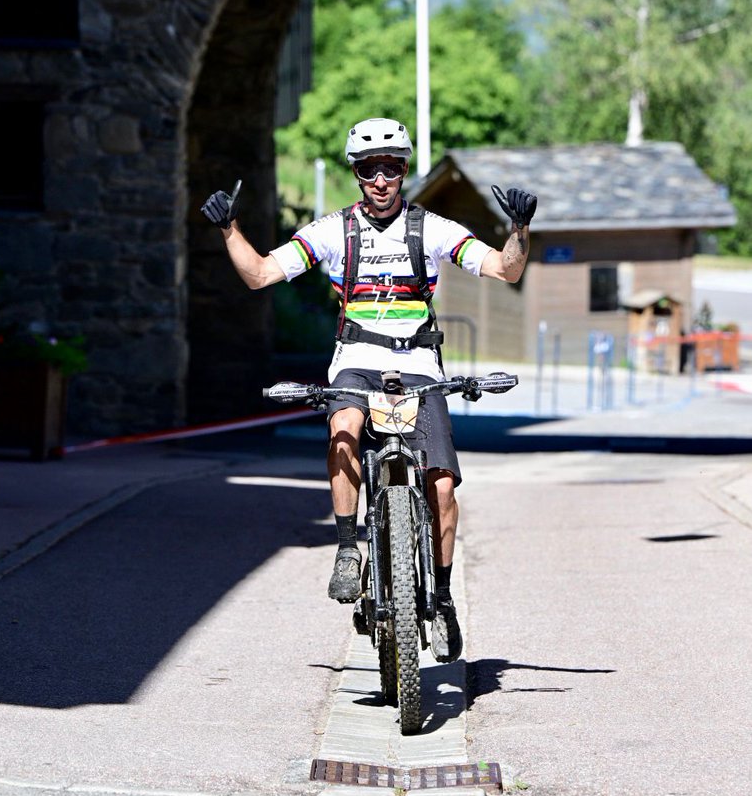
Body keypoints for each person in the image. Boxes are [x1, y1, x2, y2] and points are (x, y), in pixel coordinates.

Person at [201, 117, 536, 663]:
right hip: (356, 359)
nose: (381, 180)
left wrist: (519, 230)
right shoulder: (333, 231)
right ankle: (346, 550)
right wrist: (229, 228)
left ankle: (444, 599)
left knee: (444, 489)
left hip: (420, 365)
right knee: (344, 430)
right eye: (369, 169)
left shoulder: (433, 228)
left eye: (392, 168)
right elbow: (261, 275)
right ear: (356, 174)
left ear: (404, 171)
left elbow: (505, 270)